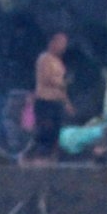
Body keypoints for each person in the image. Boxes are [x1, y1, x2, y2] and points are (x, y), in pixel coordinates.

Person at [29, 32, 71, 165]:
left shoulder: (59, 62)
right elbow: (47, 78)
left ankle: (50, 159)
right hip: (45, 101)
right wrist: (63, 83)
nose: (63, 47)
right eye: (60, 43)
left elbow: (62, 87)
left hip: (57, 102)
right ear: (52, 42)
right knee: (44, 131)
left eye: (65, 44)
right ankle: (37, 158)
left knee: (55, 133)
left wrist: (67, 103)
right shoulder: (44, 58)